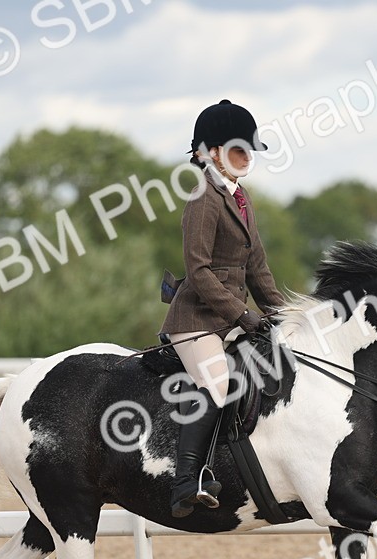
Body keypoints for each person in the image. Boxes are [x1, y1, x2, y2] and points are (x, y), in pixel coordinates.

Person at [160, 99, 287, 518]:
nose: (247, 157)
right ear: (211, 152)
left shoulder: (240, 197)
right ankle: (185, 482)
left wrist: (283, 316)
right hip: (197, 320)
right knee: (218, 384)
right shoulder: (204, 198)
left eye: (249, 150)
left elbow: (258, 268)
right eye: (237, 149)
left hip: (228, 318)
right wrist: (243, 315)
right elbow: (197, 271)